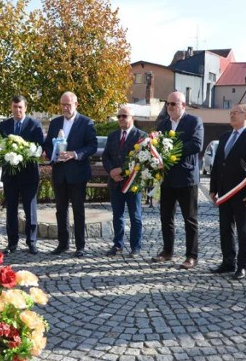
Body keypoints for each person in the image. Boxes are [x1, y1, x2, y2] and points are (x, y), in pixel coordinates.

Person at [209, 104, 246, 280]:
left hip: (243, 193)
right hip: (225, 192)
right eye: (231, 112)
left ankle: (242, 265)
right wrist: (213, 188)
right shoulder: (225, 136)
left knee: (243, 230)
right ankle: (228, 262)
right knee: (225, 228)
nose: (232, 115)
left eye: (236, 112)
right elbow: (218, 164)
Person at [151, 91, 203, 270]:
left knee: (190, 219)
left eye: (174, 104)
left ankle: (192, 256)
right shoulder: (163, 124)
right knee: (166, 217)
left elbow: (196, 144)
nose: (170, 107)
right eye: (168, 104)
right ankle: (167, 251)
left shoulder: (194, 121)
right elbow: (156, 148)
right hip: (167, 179)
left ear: (183, 105)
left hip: (187, 178)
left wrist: (171, 150)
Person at [43, 91, 97, 258]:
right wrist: (52, 154)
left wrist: (74, 154)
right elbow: (48, 144)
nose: (65, 108)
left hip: (77, 173)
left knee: (78, 210)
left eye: (68, 104)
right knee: (60, 210)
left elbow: (92, 146)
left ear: (76, 104)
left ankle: (80, 246)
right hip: (59, 172)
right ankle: (63, 243)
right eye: (62, 105)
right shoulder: (55, 122)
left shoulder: (86, 123)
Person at [0, 95, 44, 255]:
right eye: (14, 107)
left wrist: (23, 152)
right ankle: (12, 243)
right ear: (11, 107)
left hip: (29, 175)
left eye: (20, 107)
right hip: (10, 176)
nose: (17, 110)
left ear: (25, 108)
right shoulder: (4, 125)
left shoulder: (34, 125)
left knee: (30, 210)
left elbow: (39, 147)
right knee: (11, 210)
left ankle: (32, 242)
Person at [102, 106, 147, 258]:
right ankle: (118, 244)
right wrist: (111, 171)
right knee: (117, 215)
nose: (121, 118)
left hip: (132, 183)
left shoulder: (141, 136)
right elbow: (105, 156)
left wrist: (121, 170)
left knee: (135, 216)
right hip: (115, 182)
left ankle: (135, 247)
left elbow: (141, 160)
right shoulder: (112, 135)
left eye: (124, 116)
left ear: (132, 118)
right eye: (119, 116)